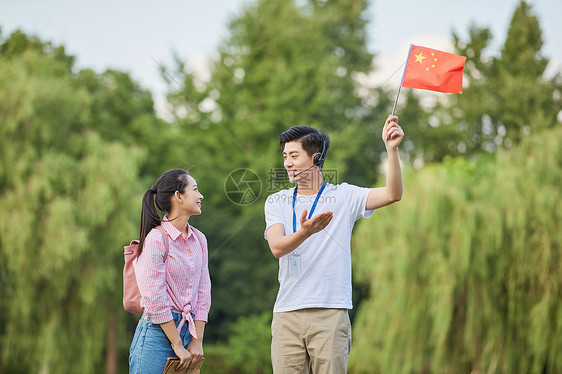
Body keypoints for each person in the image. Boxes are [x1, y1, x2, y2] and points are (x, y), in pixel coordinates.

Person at [264, 115, 404, 373]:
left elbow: (392, 194)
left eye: (294, 156)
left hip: (330, 312)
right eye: (285, 157)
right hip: (286, 313)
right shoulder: (276, 201)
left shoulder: (344, 196)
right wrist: (305, 232)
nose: (287, 163)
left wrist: (391, 150)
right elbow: (277, 247)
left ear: (316, 158)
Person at [129, 169, 211, 374]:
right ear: (179, 196)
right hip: (156, 335)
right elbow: (154, 296)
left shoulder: (200, 239)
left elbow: (204, 290)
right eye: (195, 190)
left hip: (188, 333)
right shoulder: (157, 239)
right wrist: (176, 345)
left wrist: (197, 340)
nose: (200, 196)